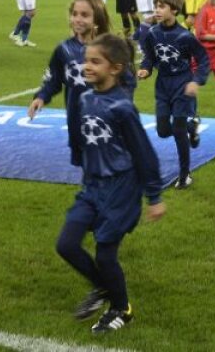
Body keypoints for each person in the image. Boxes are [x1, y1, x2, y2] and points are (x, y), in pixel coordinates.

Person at [53, 33, 166, 334]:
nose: (86, 67)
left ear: (115, 68)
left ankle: (122, 308)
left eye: (95, 62)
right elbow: (82, 138)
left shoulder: (123, 108)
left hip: (121, 188)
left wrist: (154, 196)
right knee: (66, 244)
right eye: (86, 60)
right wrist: (81, 159)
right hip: (92, 187)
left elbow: (143, 152)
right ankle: (104, 287)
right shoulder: (84, 98)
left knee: (105, 254)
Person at [29, 0, 131, 170]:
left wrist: (121, 105)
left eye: (84, 15)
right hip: (75, 117)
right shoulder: (64, 49)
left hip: (105, 119)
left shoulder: (110, 49)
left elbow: (127, 81)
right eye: (74, 14)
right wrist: (41, 97)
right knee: (86, 165)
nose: (78, 19)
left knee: (108, 165)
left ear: (96, 18)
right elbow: (54, 79)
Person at [138, 0, 210, 189]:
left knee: (177, 128)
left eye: (162, 6)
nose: (157, 10)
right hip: (162, 86)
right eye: (156, 6)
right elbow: (149, 57)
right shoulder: (153, 33)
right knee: (162, 131)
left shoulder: (185, 36)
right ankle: (191, 128)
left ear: (175, 10)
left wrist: (197, 81)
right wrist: (145, 69)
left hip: (182, 85)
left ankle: (185, 174)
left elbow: (203, 59)